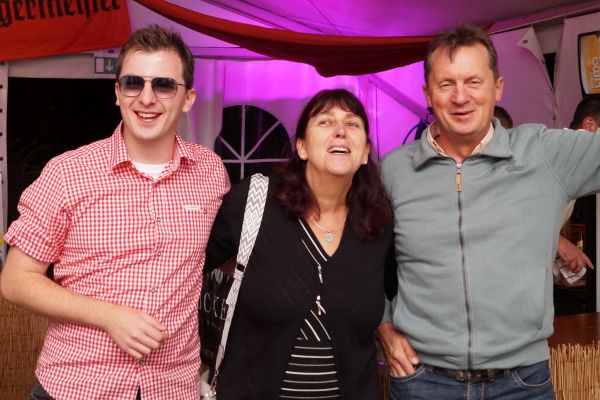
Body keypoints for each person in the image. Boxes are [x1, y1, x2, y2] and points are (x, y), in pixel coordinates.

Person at [0, 25, 229, 399]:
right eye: (133, 83)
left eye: (164, 85)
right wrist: (109, 316)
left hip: (172, 387)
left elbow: (226, 251)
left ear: (188, 98)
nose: (146, 98)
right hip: (78, 386)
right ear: (118, 93)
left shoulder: (210, 172)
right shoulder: (67, 173)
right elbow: (15, 280)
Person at [378, 24, 600, 400]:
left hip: (522, 383)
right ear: (428, 93)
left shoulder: (543, 153)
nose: (460, 97)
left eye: (473, 82)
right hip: (424, 382)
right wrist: (382, 324)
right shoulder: (395, 170)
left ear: (497, 87)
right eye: (446, 84)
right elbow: (358, 261)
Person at [203, 89, 395, 399]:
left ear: (364, 153)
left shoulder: (378, 224)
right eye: (325, 121)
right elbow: (189, 266)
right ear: (302, 147)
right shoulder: (254, 203)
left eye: (352, 123)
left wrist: (390, 332)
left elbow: (397, 290)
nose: (340, 131)